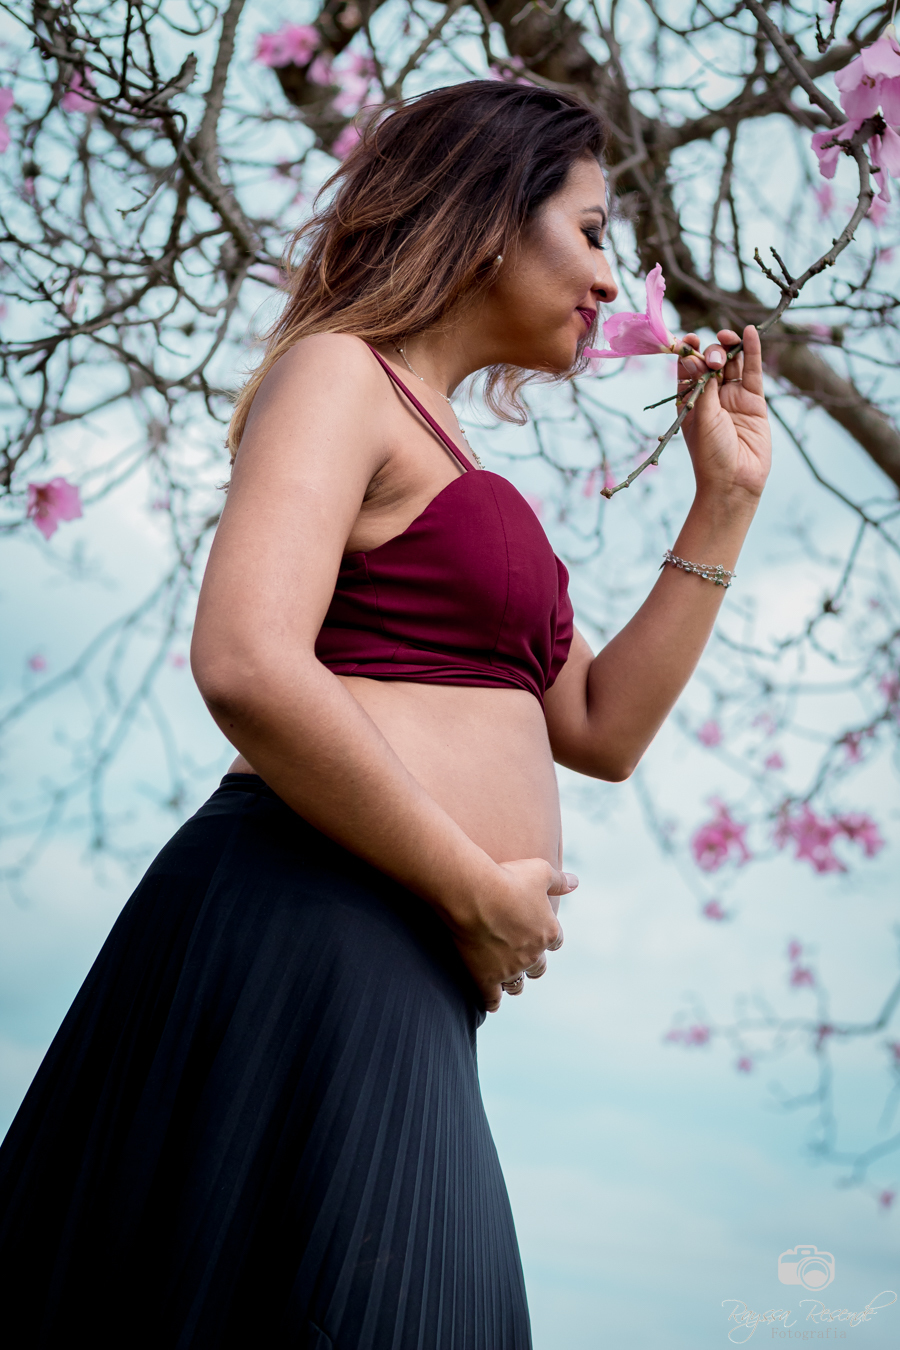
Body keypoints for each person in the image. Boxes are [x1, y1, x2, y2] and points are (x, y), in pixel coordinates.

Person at [0, 81, 771, 1348]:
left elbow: (599, 728)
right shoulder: (340, 376)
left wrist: (724, 502)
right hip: (307, 921)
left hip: (411, 979)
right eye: (588, 233)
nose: (606, 282)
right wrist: (471, 884)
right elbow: (248, 660)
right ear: (485, 219)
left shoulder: (468, 466)